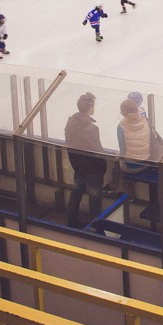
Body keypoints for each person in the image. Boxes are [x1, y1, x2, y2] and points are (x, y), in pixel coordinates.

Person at [65, 93, 109, 228]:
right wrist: (103, 166)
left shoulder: (70, 122)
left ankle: (71, 221)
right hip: (92, 169)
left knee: (76, 192)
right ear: (90, 108)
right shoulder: (91, 129)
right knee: (95, 198)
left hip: (78, 166)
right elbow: (97, 151)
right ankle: (96, 227)